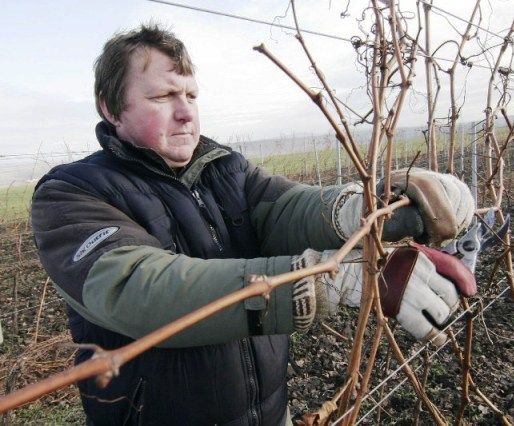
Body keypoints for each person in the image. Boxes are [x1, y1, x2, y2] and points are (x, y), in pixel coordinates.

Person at [31, 24, 475, 425]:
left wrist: (390, 204)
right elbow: (137, 288)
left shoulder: (223, 168)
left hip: (267, 411)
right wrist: (329, 282)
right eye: (163, 97)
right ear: (110, 108)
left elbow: (289, 209)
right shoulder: (71, 194)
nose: (186, 113)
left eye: (191, 95)